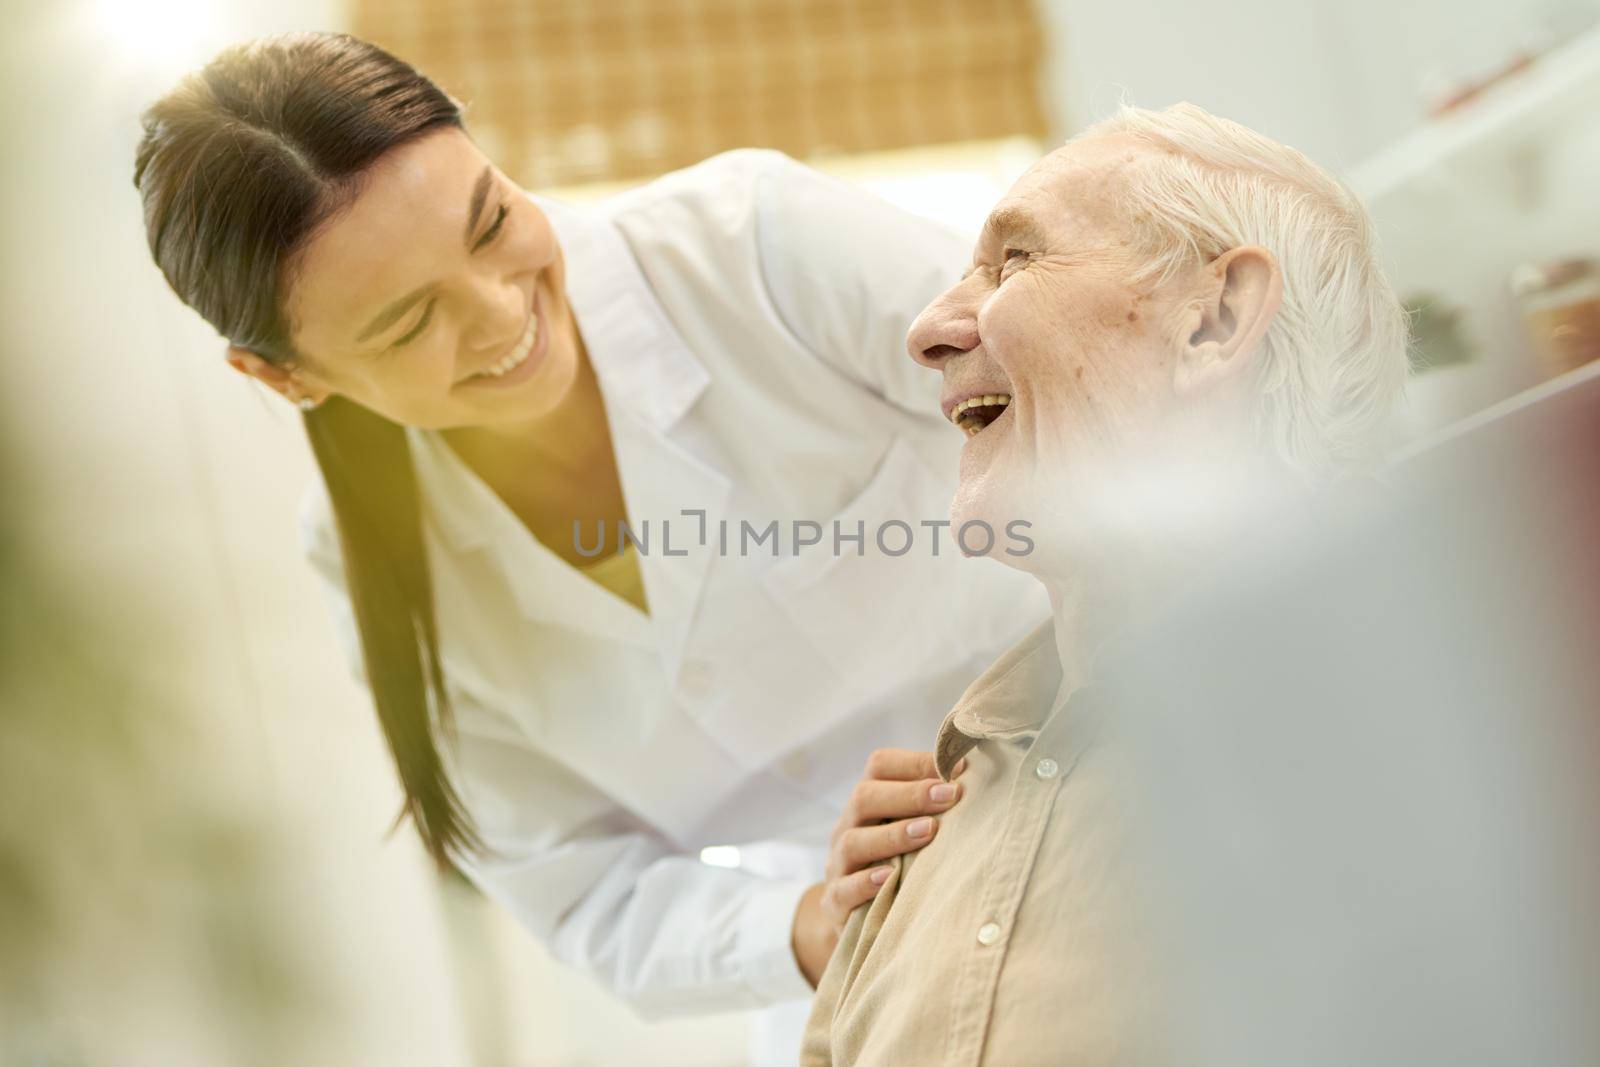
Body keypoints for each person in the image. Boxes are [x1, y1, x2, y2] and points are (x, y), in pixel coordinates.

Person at [130, 31, 1049, 1062]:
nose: (499, 315)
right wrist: (804, 920)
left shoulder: (756, 244)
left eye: (490, 224)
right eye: (406, 323)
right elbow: (580, 887)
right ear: (283, 376)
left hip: (1094, 762)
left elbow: (1091, 423)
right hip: (869, 942)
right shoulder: (370, 558)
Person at [800, 102, 1410, 1065]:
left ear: (1212, 322)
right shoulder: (928, 823)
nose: (927, 331)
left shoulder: (1441, 740)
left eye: (1015, 263)